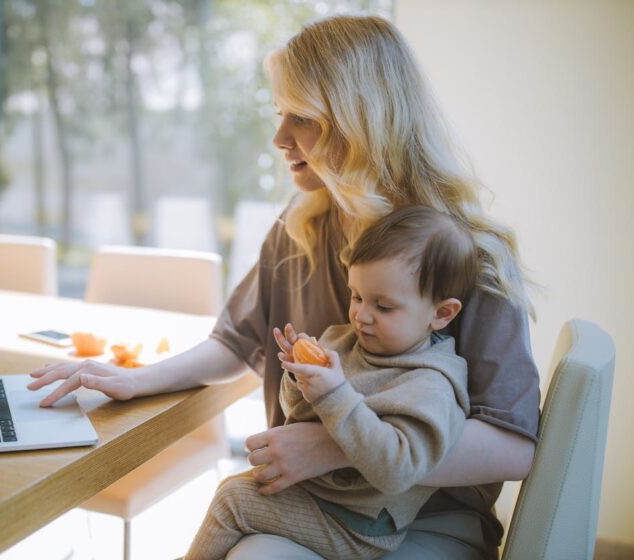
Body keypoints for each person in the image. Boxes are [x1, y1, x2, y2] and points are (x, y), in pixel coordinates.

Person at [27, 15, 539, 559]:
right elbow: (236, 342)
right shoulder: (301, 225)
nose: (279, 138)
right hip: (313, 500)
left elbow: (512, 447)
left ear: (361, 120)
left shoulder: (467, 255)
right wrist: (138, 379)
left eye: (303, 118)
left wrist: (336, 445)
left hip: (426, 521)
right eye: (279, 115)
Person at [184, 206, 476, 559]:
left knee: (232, 501)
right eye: (356, 296)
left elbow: (398, 471)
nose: (361, 316)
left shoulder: (431, 384)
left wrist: (335, 394)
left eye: (383, 307)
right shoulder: (344, 341)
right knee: (238, 490)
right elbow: (299, 414)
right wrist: (300, 376)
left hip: (358, 524)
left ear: (442, 313)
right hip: (319, 496)